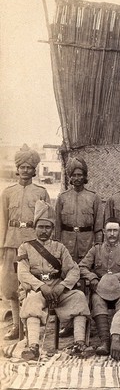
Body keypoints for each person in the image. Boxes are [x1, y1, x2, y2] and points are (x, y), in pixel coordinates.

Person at [17, 200, 92, 360]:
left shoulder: (60, 248)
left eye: (48, 227)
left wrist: (62, 286)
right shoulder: (25, 247)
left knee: (78, 297)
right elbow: (23, 273)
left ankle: (79, 344)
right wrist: (41, 286)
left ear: (52, 229)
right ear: (35, 227)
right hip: (37, 290)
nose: (44, 231)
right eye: (41, 227)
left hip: (58, 289)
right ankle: (33, 346)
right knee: (31, 302)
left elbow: (73, 269)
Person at [0, 144, 50, 340]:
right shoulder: (7, 192)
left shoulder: (41, 192)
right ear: (17, 168)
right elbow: (2, 220)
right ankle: (15, 327)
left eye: (29, 167)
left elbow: (47, 221)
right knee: (11, 286)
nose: (26, 170)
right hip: (12, 242)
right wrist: (2, 246)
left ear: (34, 170)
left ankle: (29, 327)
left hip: (33, 244)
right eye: (22, 167)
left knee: (30, 283)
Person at [79, 217, 120, 355]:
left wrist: (117, 278)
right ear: (103, 232)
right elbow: (82, 267)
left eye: (115, 230)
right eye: (109, 231)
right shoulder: (96, 250)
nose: (112, 234)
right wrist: (93, 278)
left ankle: (119, 338)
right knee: (96, 300)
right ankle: (105, 341)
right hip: (100, 290)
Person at [55, 157, 103, 263]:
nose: (77, 178)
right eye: (74, 175)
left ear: (84, 176)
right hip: (67, 241)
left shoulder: (94, 197)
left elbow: (98, 226)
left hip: (87, 242)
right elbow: (57, 225)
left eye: (80, 175)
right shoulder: (62, 197)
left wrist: (98, 246)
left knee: (86, 271)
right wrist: (57, 244)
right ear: (70, 178)